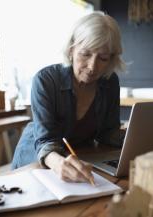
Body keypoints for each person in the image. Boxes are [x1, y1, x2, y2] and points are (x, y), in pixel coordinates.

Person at [11, 11, 125, 184]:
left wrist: (135, 138)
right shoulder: (45, 80)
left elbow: (108, 133)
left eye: (102, 58)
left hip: (77, 159)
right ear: (71, 49)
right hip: (37, 160)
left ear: (111, 59)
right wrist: (58, 164)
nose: (92, 67)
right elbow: (45, 141)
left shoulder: (109, 82)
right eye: (85, 54)